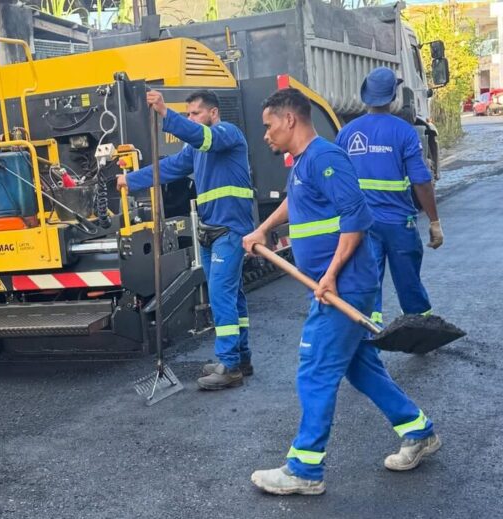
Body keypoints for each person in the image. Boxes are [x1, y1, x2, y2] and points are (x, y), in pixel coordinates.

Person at [244, 88, 440, 496]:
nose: (265, 134)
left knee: (314, 371)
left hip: (344, 285)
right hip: (335, 283)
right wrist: (265, 228)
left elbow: (357, 218)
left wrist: (331, 275)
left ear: (290, 120)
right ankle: (418, 430)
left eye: (268, 125)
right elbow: (297, 202)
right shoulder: (302, 164)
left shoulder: (326, 157)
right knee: (359, 366)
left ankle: (305, 469)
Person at [117, 90, 254, 390]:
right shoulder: (197, 149)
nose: (191, 119)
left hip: (229, 230)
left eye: (195, 113)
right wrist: (131, 180)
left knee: (220, 294)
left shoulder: (226, 134)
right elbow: (169, 168)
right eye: (188, 114)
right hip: (209, 230)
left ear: (213, 114)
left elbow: (201, 137)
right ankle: (240, 357)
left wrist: (167, 114)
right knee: (232, 295)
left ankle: (229, 365)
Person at [335, 67, 443, 327]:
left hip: (361, 225)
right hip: (398, 223)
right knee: (408, 281)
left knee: (369, 281)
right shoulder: (404, 132)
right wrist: (434, 221)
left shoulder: (347, 133)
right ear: (393, 96)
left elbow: (337, 180)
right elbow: (421, 180)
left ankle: (371, 332)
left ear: (366, 96)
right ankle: (421, 329)